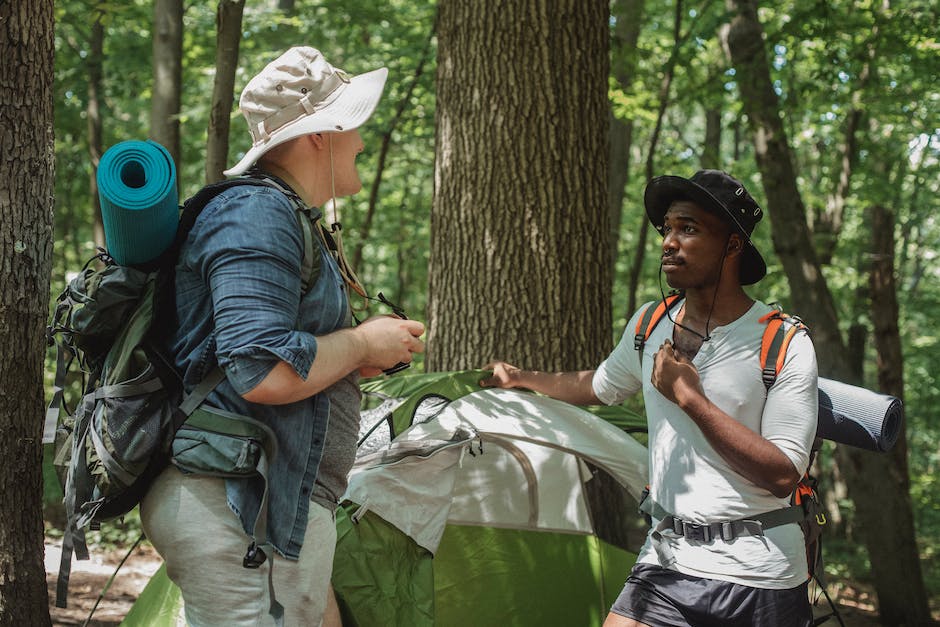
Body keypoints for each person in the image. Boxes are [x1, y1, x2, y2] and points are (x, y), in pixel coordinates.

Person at [140, 46, 425, 626]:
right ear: (321, 134)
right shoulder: (258, 213)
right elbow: (262, 370)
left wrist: (349, 360)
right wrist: (364, 344)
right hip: (241, 508)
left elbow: (267, 355)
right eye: (355, 125)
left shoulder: (278, 215)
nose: (363, 141)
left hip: (264, 506)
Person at [483, 170, 817, 627]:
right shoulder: (649, 323)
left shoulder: (783, 342)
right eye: (667, 229)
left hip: (759, 576)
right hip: (666, 559)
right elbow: (598, 385)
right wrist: (521, 378)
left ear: (733, 246)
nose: (669, 241)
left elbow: (783, 475)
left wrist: (689, 397)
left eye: (689, 229)